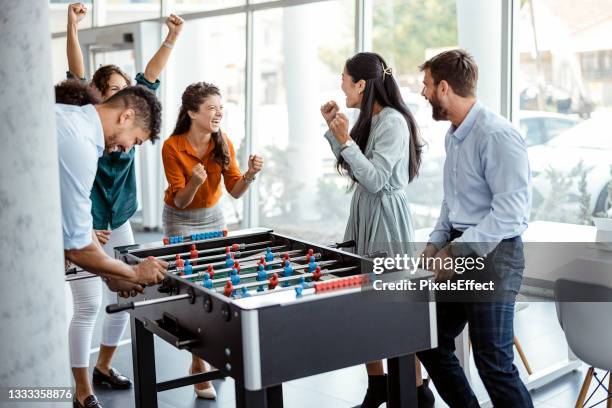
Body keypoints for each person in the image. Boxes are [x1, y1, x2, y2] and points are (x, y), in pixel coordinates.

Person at [64, 3, 183, 406]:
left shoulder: (123, 121)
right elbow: (76, 241)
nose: (127, 146)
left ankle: (104, 365)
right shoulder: (84, 133)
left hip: (119, 219)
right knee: (89, 303)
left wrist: (170, 38)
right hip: (88, 223)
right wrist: (72, 27)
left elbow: (150, 76)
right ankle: (82, 391)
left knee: (122, 296)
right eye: (111, 90)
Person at [416, 49, 533, 408]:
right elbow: (453, 200)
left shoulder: (497, 135)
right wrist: (437, 242)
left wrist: (458, 250)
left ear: (445, 88)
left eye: (427, 86)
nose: (423, 93)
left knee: (493, 365)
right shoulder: (455, 135)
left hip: (495, 257)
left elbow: (511, 214)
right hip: (459, 248)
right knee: (428, 338)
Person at [320, 52, 433, 408]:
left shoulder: (394, 122)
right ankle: (378, 385)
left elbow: (376, 179)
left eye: (344, 77)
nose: (340, 84)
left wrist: (345, 140)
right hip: (366, 213)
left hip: (385, 217)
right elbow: (355, 170)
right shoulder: (371, 118)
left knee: (395, 306)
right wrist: (336, 132)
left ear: (361, 84)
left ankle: (416, 391)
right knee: (364, 303)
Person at [56, 82, 168, 408]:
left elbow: (75, 222)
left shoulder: (75, 127)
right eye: (134, 140)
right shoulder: (78, 143)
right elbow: (77, 247)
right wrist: (132, 273)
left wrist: (111, 274)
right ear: (126, 116)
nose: (126, 148)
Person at [162, 82, 264, 399]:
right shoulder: (172, 146)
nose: (219, 112)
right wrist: (194, 180)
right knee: (194, 289)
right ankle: (199, 364)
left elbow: (234, 191)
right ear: (192, 112)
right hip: (180, 218)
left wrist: (248, 174)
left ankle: (206, 357)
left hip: (213, 217)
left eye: (221, 107)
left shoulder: (224, 143)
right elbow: (180, 201)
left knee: (216, 285)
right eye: (211, 107)